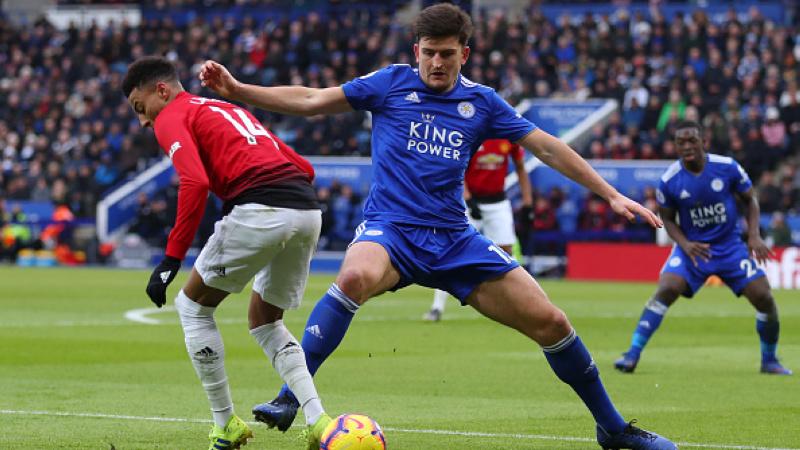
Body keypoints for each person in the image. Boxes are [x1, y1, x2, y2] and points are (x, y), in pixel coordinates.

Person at [200, 4, 676, 449]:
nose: (437, 63)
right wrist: (239, 91)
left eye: (447, 54)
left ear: (463, 54)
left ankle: (612, 429)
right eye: (429, 53)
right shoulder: (388, 85)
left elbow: (547, 147)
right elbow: (310, 99)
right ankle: (290, 397)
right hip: (392, 230)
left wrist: (611, 193)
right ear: (416, 52)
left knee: (552, 323)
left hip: (454, 240)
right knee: (352, 278)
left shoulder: (482, 102)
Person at [122, 56, 333, 450]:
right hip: (306, 210)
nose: (144, 122)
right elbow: (302, 164)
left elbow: (194, 181)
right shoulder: (222, 106)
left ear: (162, 91)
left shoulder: (172, 115)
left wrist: (171, 259)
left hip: (261, 208)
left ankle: (225, 425)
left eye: (141, 108)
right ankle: (319, 420)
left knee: (192, 308)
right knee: (266, 320)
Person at [614, 120, 792, 376]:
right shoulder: (670, 181)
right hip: (694, 249)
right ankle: (632, 354)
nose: (687, 146)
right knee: (667, 288)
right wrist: (685, 244)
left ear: (703, 142)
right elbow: (668, 219)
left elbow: (750, 199)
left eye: (692, 140)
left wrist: (753, 235)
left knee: (764, 297)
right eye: (681, 142)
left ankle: (769, 360)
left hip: (730, 247)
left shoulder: (727, 168)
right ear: (675, 146)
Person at [424, 138, 534, 322]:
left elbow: (521, 168)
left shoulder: (508, 138)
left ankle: (524, 306)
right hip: (470, 203)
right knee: (451, 252)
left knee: (506, 254)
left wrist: (528, 204)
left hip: (498, 203)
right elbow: (458, 169)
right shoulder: (475, 135)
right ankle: (437, 307)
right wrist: (467, 198)